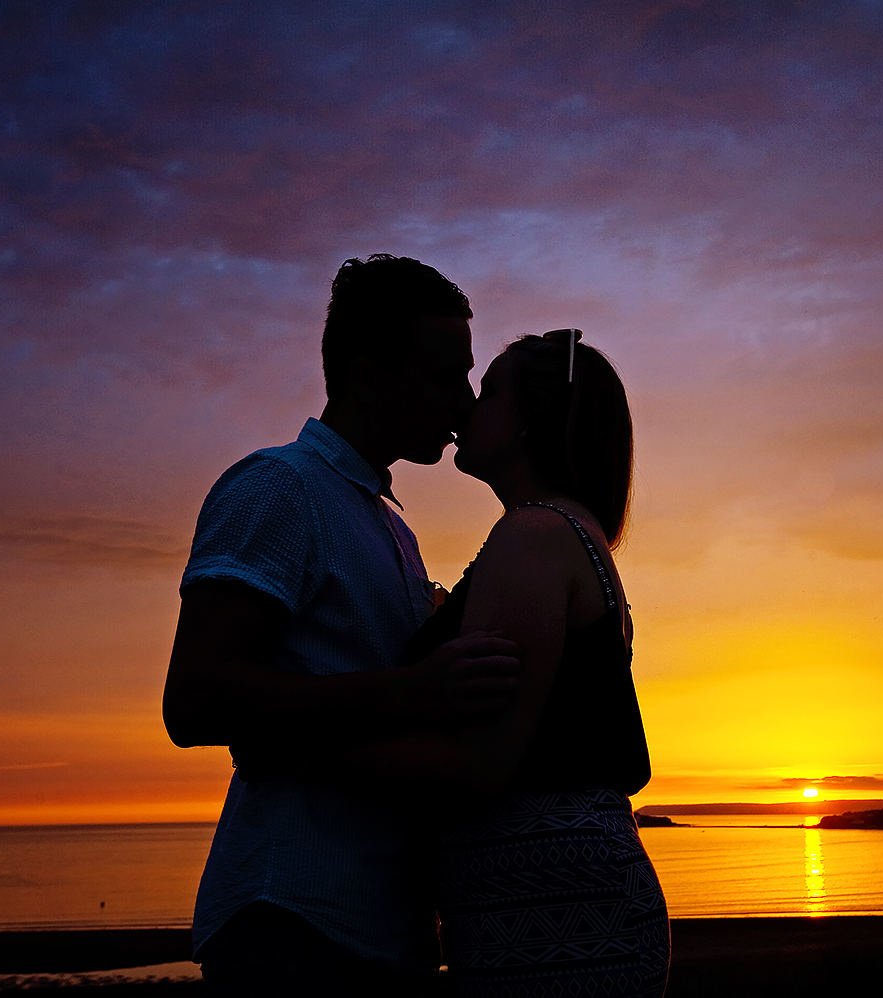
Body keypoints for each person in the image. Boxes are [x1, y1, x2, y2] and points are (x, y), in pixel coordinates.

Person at [162, 254, 520, 996]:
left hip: (377, 928)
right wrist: (411, 692)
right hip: (293, 920)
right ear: (366, 376)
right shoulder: (278, 486)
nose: (463, 401)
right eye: (444, 376)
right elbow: (195, 698)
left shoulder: (386, 522)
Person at [376, 329, 669, 997]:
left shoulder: (533, 535)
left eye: (490, 391)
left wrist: (308, 756)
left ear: (532, 418)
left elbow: (482, 763)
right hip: (551, 912)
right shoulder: (568, 533)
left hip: (558, 921)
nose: (465, 408)